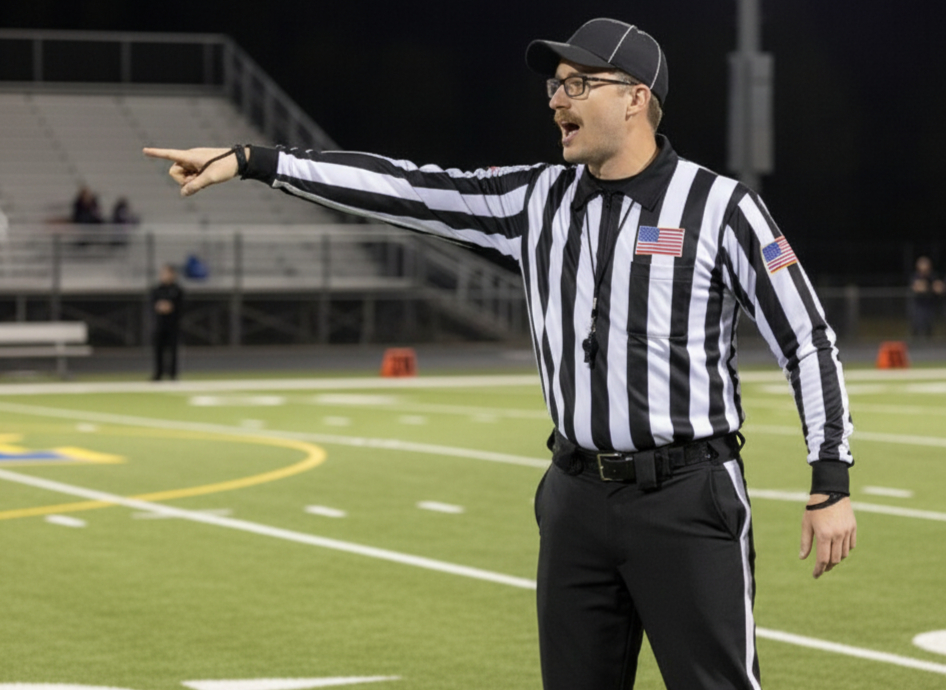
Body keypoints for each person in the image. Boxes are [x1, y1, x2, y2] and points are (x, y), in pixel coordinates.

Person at [144, 17, 857, 689]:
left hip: (686, 497)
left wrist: (830, 480)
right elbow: (403, 187)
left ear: (637, 99)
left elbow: (807, 339)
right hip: (575, 498)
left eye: (579, 84)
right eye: (555, 86)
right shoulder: (534, 201)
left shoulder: (721, 207)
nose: (557, 100)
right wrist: (252, 160)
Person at [150, 264, 184, 381]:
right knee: (158, 350)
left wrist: (170, 307)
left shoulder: (177, 290)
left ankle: (173, 374)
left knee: (173, 351)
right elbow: (153, 304)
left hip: (173, 325)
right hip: (160, 325)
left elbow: (180, 306)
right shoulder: (157, 290)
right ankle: (158, 373)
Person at [910, 255, 943, 337]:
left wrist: (929, 287)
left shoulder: (932, 276)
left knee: (929, 328)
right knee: (916, 327)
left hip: (930, 306)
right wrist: (930, 288)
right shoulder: (915, 276)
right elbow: (919, 288)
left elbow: (939, 288)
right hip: (918, 306)